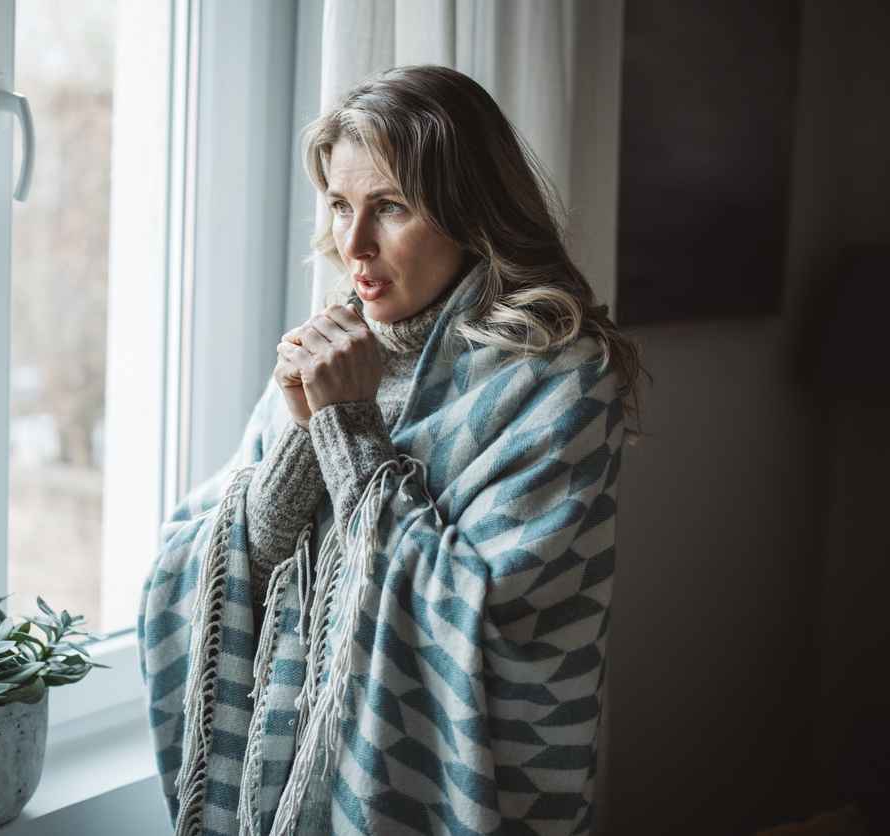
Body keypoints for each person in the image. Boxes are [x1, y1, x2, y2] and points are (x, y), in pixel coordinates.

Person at [138, 64, 647, 836]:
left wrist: (343, 424)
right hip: (290, 788)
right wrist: (309, 435)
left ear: (469, 212)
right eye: (339, 205)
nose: (352, 244)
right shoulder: (337, 345)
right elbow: (216, 552)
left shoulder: (565, 380)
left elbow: (474, 612)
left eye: (391, 208)